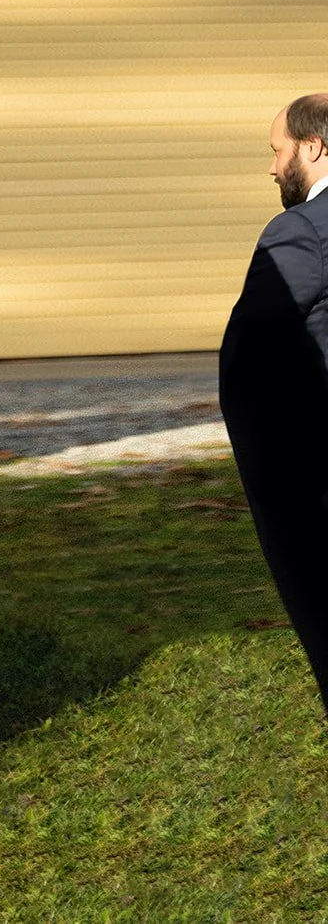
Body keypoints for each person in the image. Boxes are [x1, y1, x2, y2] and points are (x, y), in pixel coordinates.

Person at [220, 92, 328, 715]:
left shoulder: (300, 231)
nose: (271, 167)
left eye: (277, 150)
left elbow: (247, 363)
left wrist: (273, 489)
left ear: (313, 147)